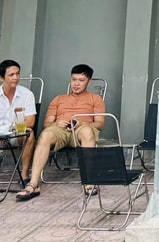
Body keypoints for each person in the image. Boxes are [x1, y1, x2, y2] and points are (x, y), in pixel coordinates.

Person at [17, 64, 106, 201]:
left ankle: (89, 181)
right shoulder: (58, 99)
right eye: (74, 79)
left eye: (81, 80)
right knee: (46, 134)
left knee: (87, 131)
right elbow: (47, 124)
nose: (76, 84)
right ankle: (33, 184)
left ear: (89, 81)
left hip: (82, 129)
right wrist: (57, 124)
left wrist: (81, 124)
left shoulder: (95, 99)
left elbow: (100, 124)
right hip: (60, 130)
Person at [0, 60, 37, 188]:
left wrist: (8, 131)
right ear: (1, 78)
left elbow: (30, 122)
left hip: (16, 134)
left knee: (29, 133)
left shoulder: (27, 94)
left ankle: (25, 175)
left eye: (18, 74)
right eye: (11, 75)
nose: (16, 78)